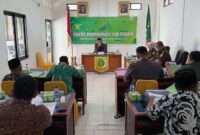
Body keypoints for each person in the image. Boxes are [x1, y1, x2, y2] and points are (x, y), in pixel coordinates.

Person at [146, 69, 200, 134]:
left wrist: (150, 101)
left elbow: (151, 115)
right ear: (196, 84)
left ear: (176, 85)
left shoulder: (170, 98)